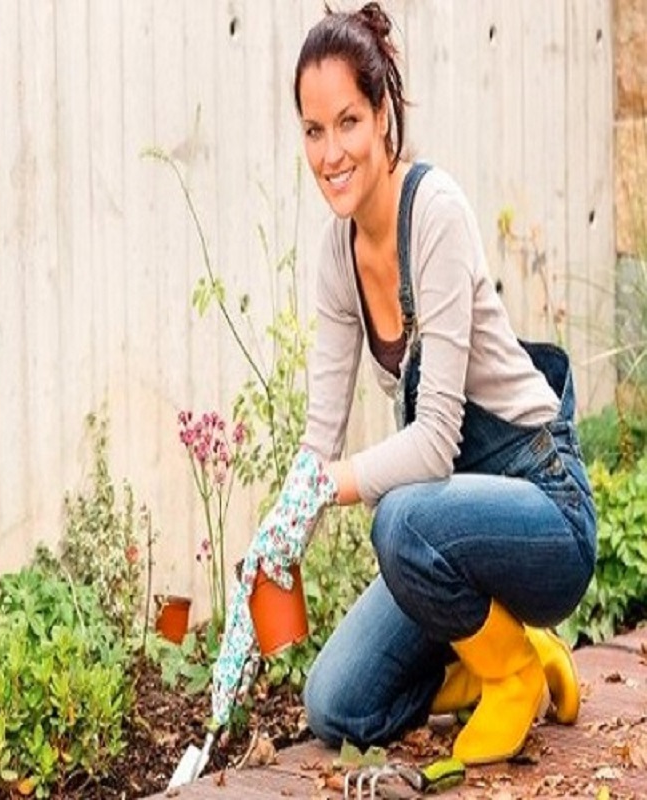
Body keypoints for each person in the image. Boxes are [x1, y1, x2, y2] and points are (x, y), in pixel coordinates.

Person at [211, 1, 597, 767]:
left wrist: (324, 488)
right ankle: (498, 654)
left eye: (348, 122)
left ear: (384, 113)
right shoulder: (336, 257)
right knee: (337, 703)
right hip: (450, 530)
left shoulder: (437, 213)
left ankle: (514, 673)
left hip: (543, 512)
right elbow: (320, 439)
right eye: (313, 131)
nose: (331, 153)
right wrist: (272, 550)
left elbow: (432, 446)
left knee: (398, 520)